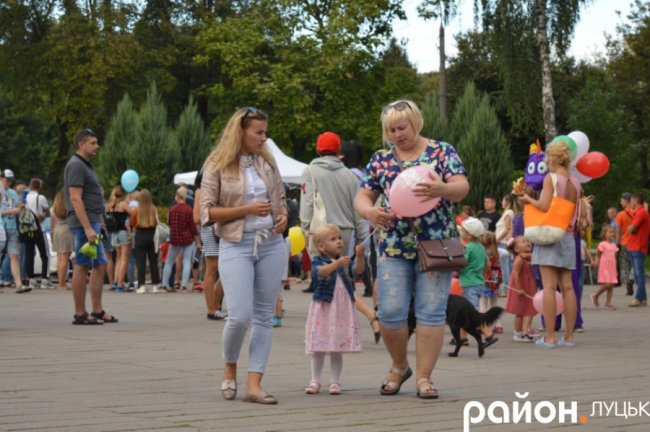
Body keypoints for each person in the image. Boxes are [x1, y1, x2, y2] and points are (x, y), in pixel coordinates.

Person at [354, 99, 469, 399]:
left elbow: (462, 186)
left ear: (415, 123)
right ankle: (399, 365)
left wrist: (442, 189)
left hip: (436, 243)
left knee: (431, 312)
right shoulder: (380, 159)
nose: (396, 134)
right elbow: (362, 197)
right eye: (390, 130)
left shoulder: (442, 151)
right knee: (390, 312)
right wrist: (370, 213)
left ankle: (424, 378)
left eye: (401, 127)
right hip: (393, 244)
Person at [200, 107, 288, 404]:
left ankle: (254, 384)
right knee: (239, 316)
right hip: (236, 243)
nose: (264, 138)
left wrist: (283, 216)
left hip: (271, 243)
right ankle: (229, 365)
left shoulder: (267, 159)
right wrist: (247, 210)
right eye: (259, 132)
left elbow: (280, 197)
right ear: (241, 131)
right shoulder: (217, 163)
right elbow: (207, 212)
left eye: (265, 131)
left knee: (265, 316)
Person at [300, 131, 377, 340]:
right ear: (338, 151)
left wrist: (306, 229)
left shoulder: (310, 171)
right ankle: (345, 325)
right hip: (344, 232)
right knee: (342, 279)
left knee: (322, 277)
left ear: (318, 149)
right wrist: (361, 238)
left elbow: (307, 203)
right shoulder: (350, 176)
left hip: (321, 232)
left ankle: (325, 328)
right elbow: (357, 211)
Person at [519, 140, 580, 348]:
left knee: (549, 287)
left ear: (552, 158)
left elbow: (544, 206)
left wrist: (528, 199)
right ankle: (570, 337)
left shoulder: (551, 179)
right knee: (568, 287)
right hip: (568, 235)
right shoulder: (575, 182)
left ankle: (550, 337)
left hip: (549, 235)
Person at [64, 128, 117, 324]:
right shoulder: (76, 165)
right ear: (81, 144)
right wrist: (87, 228)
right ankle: (80, 313)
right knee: (83, 264)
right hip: (83, 223)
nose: (97, 146)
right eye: (93, 143)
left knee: (100, 264)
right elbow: (75, 198)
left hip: (93, 221)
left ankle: (97, 310)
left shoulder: (86, 165)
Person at [304, 224, 363, 395]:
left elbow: (358, 271)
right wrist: (336, 264)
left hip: (341, 307)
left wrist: (359, 257)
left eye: (339, 238)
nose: (339, 241)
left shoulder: (344, 260)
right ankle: (315, 380)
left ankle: (335, 382)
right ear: (321, 246)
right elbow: (319, 273)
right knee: (319, 347)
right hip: (324, 305)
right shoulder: (319, 260)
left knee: (337, 347)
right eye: (333, 239)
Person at [458, 217, 498, 347]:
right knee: (464, 311)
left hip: (469, 283)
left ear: (469, 234)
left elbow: (462, 263)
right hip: (479, 282)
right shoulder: (481, 247)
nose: (461, 233)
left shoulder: (468, 248)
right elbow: (487, 264)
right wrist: (479, 270)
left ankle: (489, 335)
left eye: (463, 231)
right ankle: (462, 338)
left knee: (473, 313)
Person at [193, 169, 226, 320]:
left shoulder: (217, 189)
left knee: (226, 269)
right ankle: (211, 308)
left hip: (220, 230)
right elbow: (197, 218)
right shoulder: (200, 191)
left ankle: (215, 305)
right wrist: (214, 216)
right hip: (210, 230)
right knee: (212, 269)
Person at [162, 186, 199, 293]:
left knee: (169, 261)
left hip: (175, 238)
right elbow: (193, 227)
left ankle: (165, 284)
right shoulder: (189, 210)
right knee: (187, 261)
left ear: (177, 196)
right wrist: (196, 239)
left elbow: (169, 223)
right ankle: (184, 286)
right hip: (188, 238)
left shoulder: (172, 209)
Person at [0, 169, 30, 293]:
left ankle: (18, 284)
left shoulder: (12, 192)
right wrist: (9, 211)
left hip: (12, 226)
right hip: (1, 224)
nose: (9, 183)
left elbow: (19, 207)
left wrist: (18, 209)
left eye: (11, 181)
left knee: (15, 255)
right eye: (7, 180)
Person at [505, 236, 537, 342]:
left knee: (527, 309)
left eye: (528, 241)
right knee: (520, 312)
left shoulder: (527, 257)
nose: (527, 243)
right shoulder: (519, 259)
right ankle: (518, 333)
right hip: (520, 286)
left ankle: (525, 331)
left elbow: (537, 256)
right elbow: (516, 274)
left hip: (528, 285)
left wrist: (527, 254)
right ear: (517, 249)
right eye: (524, 242)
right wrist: (519, 288)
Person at [130, 189, 161, 294]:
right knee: (153, 262)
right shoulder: (154, 209)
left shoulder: (136, 211)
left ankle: (141, 286)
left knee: (140, 263)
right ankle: (155, 286)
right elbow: (157, 223)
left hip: (140, 236)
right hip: (152, 236)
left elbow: (132, 223)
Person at [24, 178, 51, 289]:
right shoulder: (41, 198)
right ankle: (45, 279)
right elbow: (48, 212)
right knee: (45, 254)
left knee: (29, 254)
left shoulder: (25, 197)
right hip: (40, 229)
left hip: (28, 229)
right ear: (39, 186)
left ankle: (31, 279)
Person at [106, 185, 132, 292]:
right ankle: (120, 284)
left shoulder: (109, 205)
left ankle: (116, 281)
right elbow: (134, 213)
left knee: (118, 258)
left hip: (114, 233)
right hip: (123, 232)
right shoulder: (123, 204)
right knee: (125, 258)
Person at [627, 193, 649, 307]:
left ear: (636, 200)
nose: (630, 202)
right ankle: (643, 298)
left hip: (638, 246)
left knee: (639, 273)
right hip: (634, 246)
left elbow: (632, 228)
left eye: (631, 200)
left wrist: (630, 228)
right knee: (637, 273)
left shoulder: (641, 212)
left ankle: (638, 298)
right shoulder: (638, 212)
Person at [480, 232, 503, 333]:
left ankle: (484, 325)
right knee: (494, 304)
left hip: (485, 279)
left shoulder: (483, 252)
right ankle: (498, 324)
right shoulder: (496, 251)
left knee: (483, 304)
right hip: (494, 279)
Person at [591, 225, 618, 310]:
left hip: (612, 267)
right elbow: (598, 254)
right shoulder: (602, 244)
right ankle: (596, 295)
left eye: (613, 232)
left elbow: (615, 258)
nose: (612, 234)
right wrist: (596, 261)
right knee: (607, 284)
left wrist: (616, 269)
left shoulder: (614, 245)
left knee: (612, 285)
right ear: (604, 234)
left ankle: (608, 302)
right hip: (604, 267)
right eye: (610, 232)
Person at [51, 190, 73, 290]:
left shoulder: (56, 206)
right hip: (66, 229)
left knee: (60, 257)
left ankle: (60, 281)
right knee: (65, 258)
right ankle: (62, 284)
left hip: (57, 228)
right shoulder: (69, 205)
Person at [495, 194, 516, 295]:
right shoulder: (507, 213)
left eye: (503, 200)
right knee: (507, 265)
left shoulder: (508, 212)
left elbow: (507, 228)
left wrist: (497, 239)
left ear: (507, 201)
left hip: (503, 242)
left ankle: (506, 289)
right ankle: (510, 288)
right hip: (503, 242)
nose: (502, 202)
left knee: (505, 266)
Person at [615, 193, 635, 295]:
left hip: (625, 242)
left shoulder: (620, 214)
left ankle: (628, 283)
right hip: (635, 242)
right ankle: (632, 278)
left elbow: (618, 231)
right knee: (634, 263)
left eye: (622, 200)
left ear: (626, 201)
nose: (620, 202)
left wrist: (617, 244)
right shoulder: (636, 212)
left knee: (625, 264)